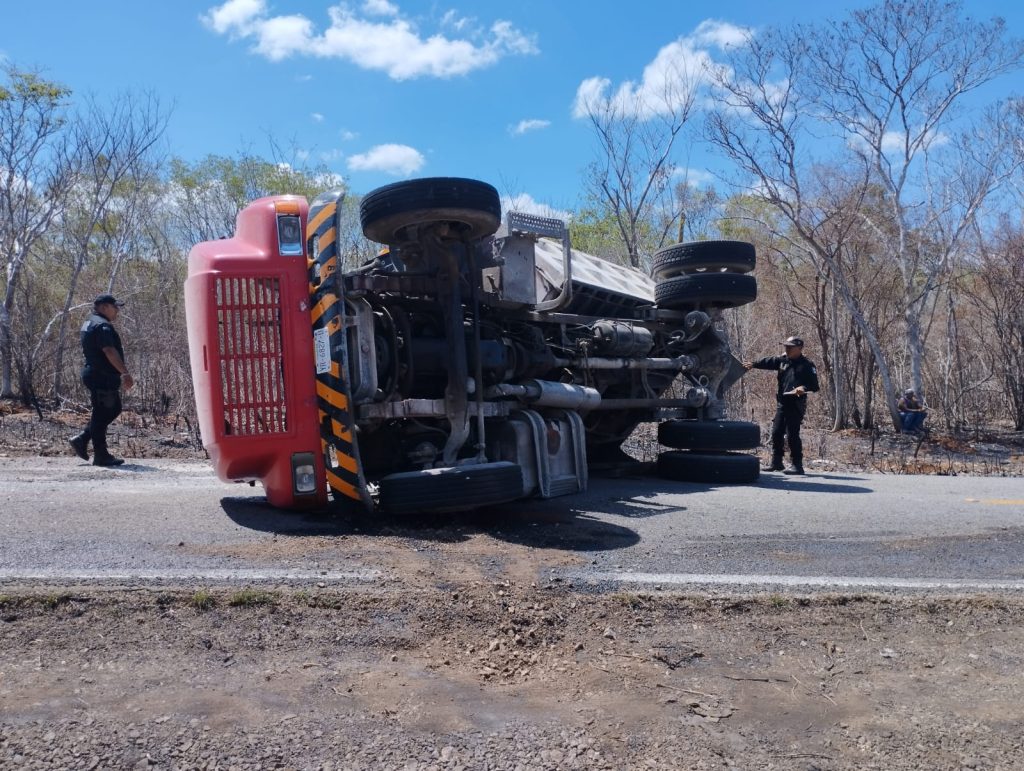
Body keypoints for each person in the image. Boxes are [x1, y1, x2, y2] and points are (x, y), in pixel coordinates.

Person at [68, 294, 134, 466]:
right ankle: (100, 454)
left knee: (111, 410)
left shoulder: (90, 321)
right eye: (115, 307)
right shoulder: (102, 325)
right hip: (101, 376)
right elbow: (109, 351)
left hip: (96, 374)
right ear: (104, 307)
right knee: (102, 412)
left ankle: (83, 439)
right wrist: (125, 373)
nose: (117, 310)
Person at [743, 336, 820, 475]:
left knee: (792, 435)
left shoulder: (807, 365)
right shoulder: (783, 360)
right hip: (782, 403)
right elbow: (768, 362)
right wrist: (753, 364)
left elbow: (814, 386)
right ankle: (777, 462)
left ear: (799, 348)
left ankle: (797, 465)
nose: (787, 349)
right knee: (776, 432)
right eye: (786, 346)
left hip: (796, 404)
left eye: (790, 347)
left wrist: (803, 388)